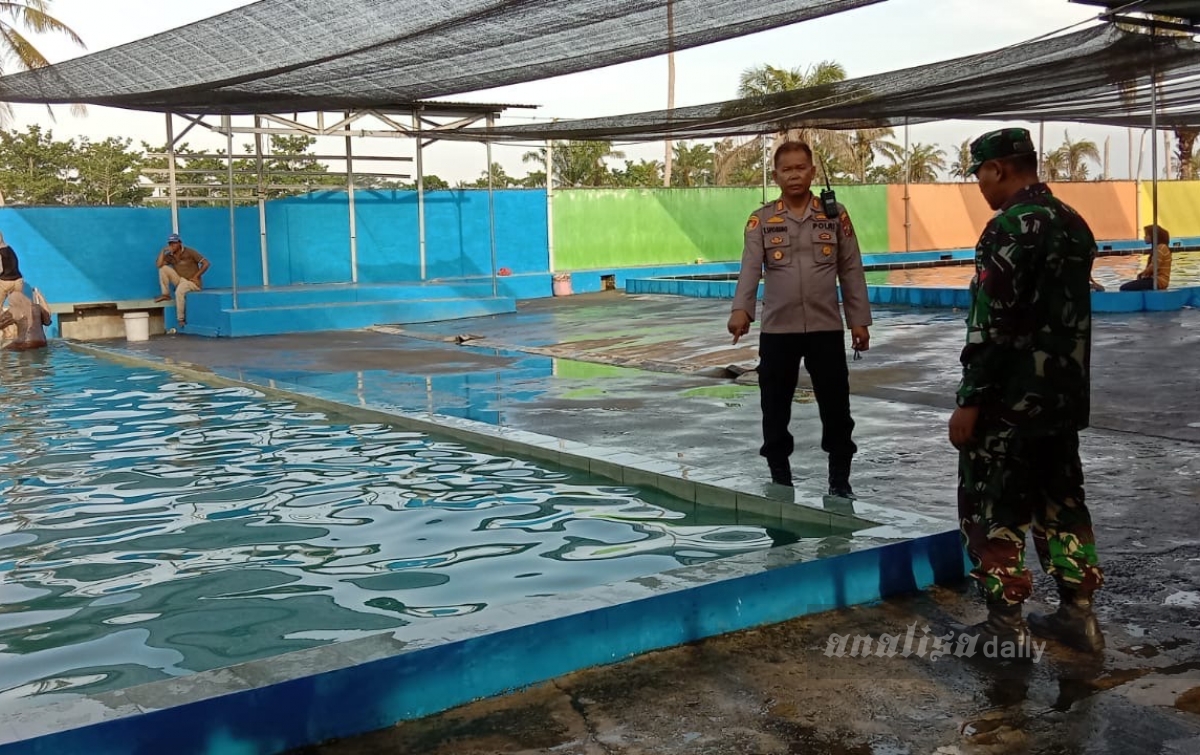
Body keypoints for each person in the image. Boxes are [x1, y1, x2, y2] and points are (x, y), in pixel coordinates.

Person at [949, 127, 1104, 656]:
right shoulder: (1073, 224)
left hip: (1007, 404)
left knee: (993, 504)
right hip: (1061, 401)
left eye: (980, 175)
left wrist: (970, 400)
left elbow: (992, 324)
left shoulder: (1008, 228)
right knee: (1062, 501)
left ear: (999, 169)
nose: (980, 186)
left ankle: (1004, 621)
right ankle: (1078, 615)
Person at [727, 141, 871, 497]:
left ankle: (839, 482)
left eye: (801, 167)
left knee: (837, 407)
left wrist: (859, 320)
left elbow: (850, 269)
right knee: (774, 407)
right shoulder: (761, 219)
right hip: (778, 330)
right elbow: (750, 268)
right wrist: (740, 310)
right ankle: (780, 478)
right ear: (775, 175)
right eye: (786, 169)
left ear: (813, 172)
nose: (794, 174)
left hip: (825, 328)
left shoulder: (835, 215)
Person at [155, 233, 209, 327]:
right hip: (181, 280)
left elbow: (206, 263)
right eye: (170, 243)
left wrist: (196, 276)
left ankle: (181, 318)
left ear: (179, 243)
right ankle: (166, 294)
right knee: (163, 268)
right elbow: (158, 265)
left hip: (193, 283)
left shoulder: (190, 252)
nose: (172, 245)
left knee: (179, 291)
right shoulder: (170, 256)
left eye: (174, 243)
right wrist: (163, 251)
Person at [1119, 224, 1172, 292]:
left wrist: (1142, 274)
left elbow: (1154, 266)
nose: (1145, 237)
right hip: (1154, 280)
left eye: (1147, 235)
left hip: (1158, 281)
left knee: (1124, 288)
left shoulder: (1161, 247)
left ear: (1153, 236)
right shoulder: (1159, 248)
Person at [0, 286, 51, 350]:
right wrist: (40, 296)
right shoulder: (37, 307)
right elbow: (47, 322)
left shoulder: (13, 311)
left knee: (4, 350)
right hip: (42, 342)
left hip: (24, 343)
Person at [0, 232, 23, 309]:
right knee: (16, 308)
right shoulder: (9, 248)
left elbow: (0, 270)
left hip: (5, 281)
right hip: (18, 281)